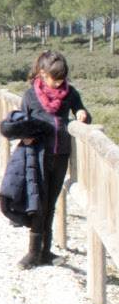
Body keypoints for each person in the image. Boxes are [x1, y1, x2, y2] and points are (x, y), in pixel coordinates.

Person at [16, 50, 91, 269]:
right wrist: (24, 134)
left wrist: (82, 114)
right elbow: (21, 121)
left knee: (50, 203)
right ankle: (32, 253)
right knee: (38, 203)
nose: (59, 83)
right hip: (37, 156)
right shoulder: (30, 95)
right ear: (42, 73)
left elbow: (81, 110)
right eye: (54, 78)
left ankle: (45, 251)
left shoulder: (70, 93)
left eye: (62, 78)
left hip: (60, 156)